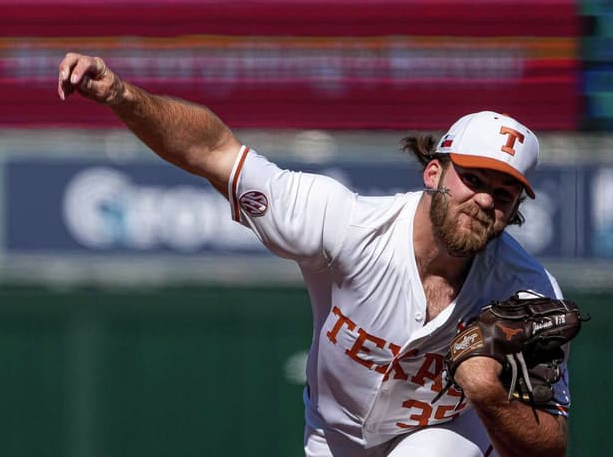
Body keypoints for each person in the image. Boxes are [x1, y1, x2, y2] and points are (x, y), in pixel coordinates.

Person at [57, 52, 570, 457]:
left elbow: (549, 445)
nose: (483, 200)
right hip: (332, 436)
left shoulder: (527, 292)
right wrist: (122, 95)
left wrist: (490, 396)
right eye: (474, 179)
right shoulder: (343, 224)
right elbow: (214, 151)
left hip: (446, 432)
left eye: (503, 193)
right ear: (433, 173)